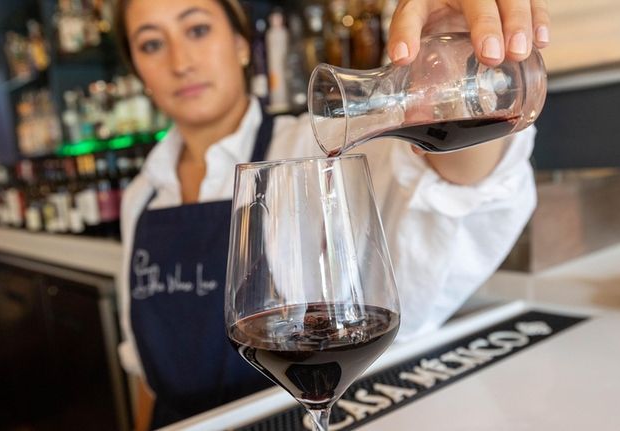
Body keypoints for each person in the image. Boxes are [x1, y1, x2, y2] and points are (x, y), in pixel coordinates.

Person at [114, 0, 550, 428]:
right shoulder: (142, 194)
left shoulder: (310, 147)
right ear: (138, 71)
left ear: (243, 43)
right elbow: (144, 370)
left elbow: (456, 185)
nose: (180, 61)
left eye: (197, 30)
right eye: (152, 44)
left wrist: (454, 70)